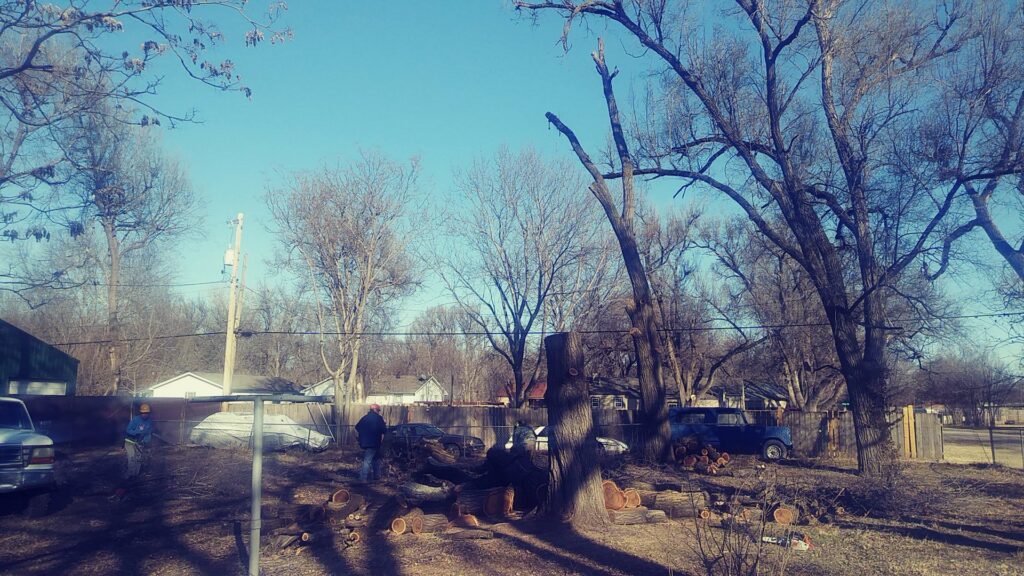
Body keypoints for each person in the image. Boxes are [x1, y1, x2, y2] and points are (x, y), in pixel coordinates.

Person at [111, 403, 154, 500]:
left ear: (149, 413)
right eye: (143, 413)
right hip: (130, 442)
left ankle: (135, 476)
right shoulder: (135, 420)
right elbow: (128, 430)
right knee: (132, 458)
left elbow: (149, 433)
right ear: (140, 413)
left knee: (139, 458)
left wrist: (145, 441)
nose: (145, 415)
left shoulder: (150, 422)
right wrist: (137, 432)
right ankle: (129, 475)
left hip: (139, 443)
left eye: (146, 413)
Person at [354, 404, 387, 483]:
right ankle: (363, 478)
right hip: (374, 442)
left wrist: (364, 435)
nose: (379, 412)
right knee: (368, 460)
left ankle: (377, 476)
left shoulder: (364, 418)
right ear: (375, 410)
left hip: (365, 442)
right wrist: (384, 424)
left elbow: (357, 427)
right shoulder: (379, 418)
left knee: (376, 458)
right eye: (378, 410)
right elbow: (384, 430)